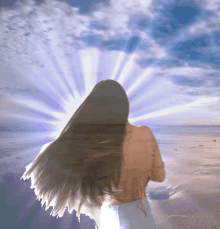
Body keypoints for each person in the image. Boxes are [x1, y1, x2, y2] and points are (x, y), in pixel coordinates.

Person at [21, 79, 165, 229]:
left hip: (113, 216)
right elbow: (159, 176)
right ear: (125, 107)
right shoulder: (145, 133)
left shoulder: (97, 144)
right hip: (143, 213)